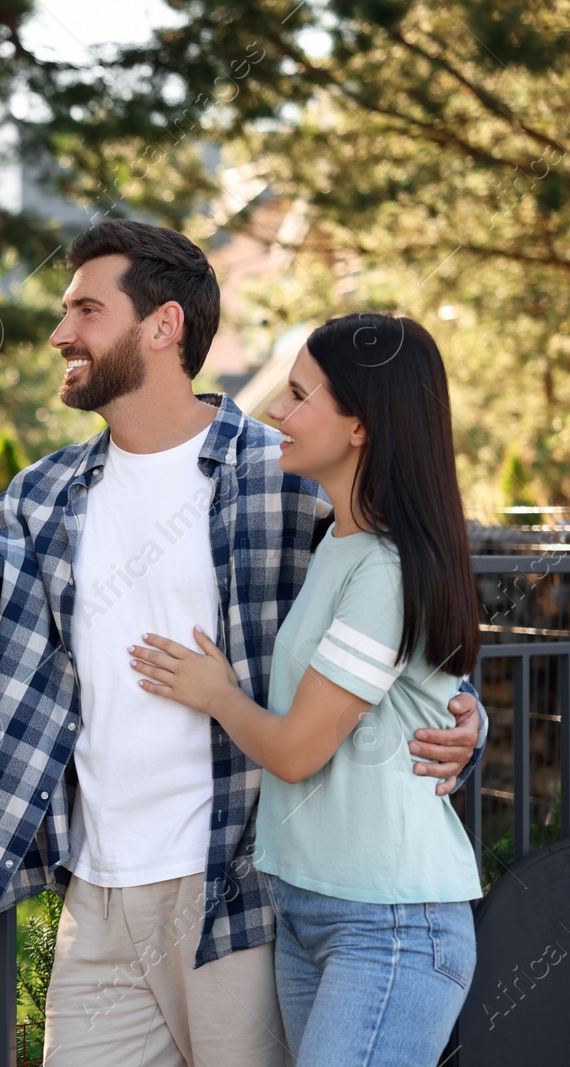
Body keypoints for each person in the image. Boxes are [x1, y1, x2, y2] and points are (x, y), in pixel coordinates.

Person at [0, 219, 484, 1066]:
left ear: (162, 327)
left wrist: (468, 718)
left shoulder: (286, 477)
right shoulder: (43, 493)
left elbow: (409, 600)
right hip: (96, 885)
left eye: (86, 309)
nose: (61, 333)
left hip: (238, 890)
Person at [129, 313, 481, 1065]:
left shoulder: (383, 569)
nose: (275, 413)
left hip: (387, 924)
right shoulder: (336, 543)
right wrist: (470, 716)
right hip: (309, 912)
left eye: (297, 395)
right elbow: (429, 692)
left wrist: (216, 692)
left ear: (361, 424)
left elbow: (295, 752)